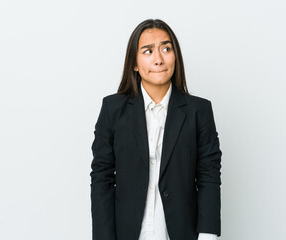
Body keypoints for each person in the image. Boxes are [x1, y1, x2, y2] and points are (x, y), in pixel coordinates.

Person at [90, 19, 222, 240]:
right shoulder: (113, 109)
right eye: (148, 51)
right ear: (134, 63)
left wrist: (207, 235)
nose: (158, 59)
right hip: (127, 232)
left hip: (181, 232)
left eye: (166, 49)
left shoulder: (200, 111)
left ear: (175, 57)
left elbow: (209, 174)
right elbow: (101, 177)